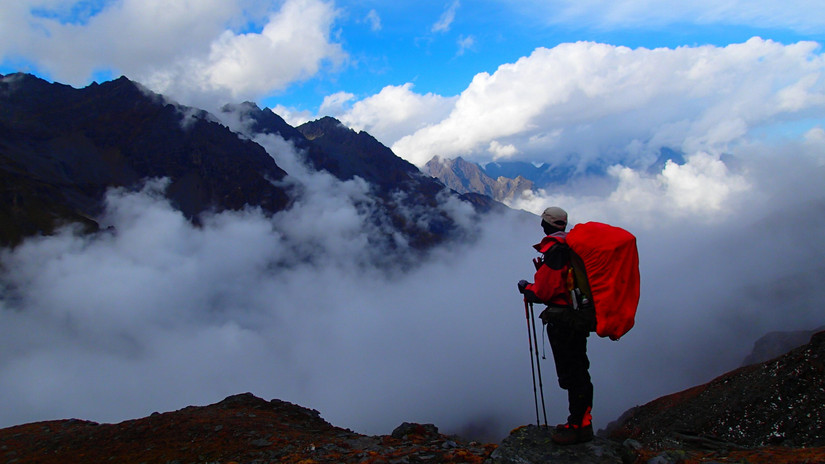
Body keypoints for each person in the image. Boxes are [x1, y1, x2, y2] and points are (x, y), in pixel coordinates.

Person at [517, 206, 595, 445]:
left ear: (546, 224)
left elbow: (546, 290)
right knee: (579, 369)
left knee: (572, 372)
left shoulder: (555, 251)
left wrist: (526, 288)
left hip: (563, 321)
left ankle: (577, 426)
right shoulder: (571, 246)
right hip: (577, 318)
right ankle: (582, 422)